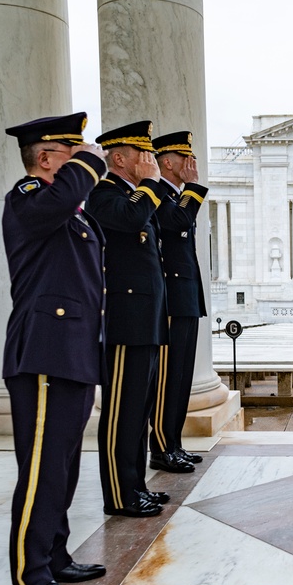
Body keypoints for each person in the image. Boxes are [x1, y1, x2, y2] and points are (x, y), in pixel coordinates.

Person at [1, 112, 108, 585]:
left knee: (63, 467)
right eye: (75, 154)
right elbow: (60, 199)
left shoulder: (72, 213)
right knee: (42, 469)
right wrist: (88, 164)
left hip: (73, 352)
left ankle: (56, 553)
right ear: (45, 158)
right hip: (44, 351)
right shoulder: (26, 199)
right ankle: (31, 572)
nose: (90, 162)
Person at [88, 121, 171, 517]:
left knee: (137, 412)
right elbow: (133, 218)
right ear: (120, 159)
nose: (152, 162)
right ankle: (119, 495)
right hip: (124, 320)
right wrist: (154, 183)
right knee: (121, 413)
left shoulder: (137, 195)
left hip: (145, 319)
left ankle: (135, 485)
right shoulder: (104, 195)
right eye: (145, 155)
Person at [147, 130, 209, 473]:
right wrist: (194, 188)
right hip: (170, 300)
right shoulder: (157, 194)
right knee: (167, 380)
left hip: (184, 296)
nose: (192, 164)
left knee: (182, 376)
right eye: (186, 158)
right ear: (167, 162)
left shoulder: (175, 195)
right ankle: (160, 448)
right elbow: (178, 221)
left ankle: (174, 443)